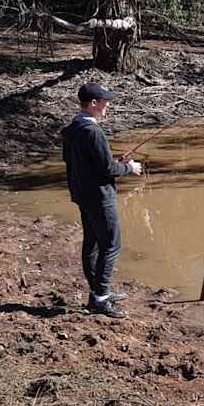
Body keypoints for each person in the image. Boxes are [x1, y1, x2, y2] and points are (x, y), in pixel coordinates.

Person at [61, 83, 142, 319]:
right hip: (99, 197)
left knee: (92, 242)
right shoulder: (92, 131)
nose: (107, 107)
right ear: (94, 103)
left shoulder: (72, 129)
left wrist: (113, 161)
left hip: (82, 195)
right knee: (111, 244)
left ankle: (98, 291)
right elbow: (108, 169)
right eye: (105, 102)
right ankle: (100, 298)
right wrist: (128, 167)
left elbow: (79, 162)